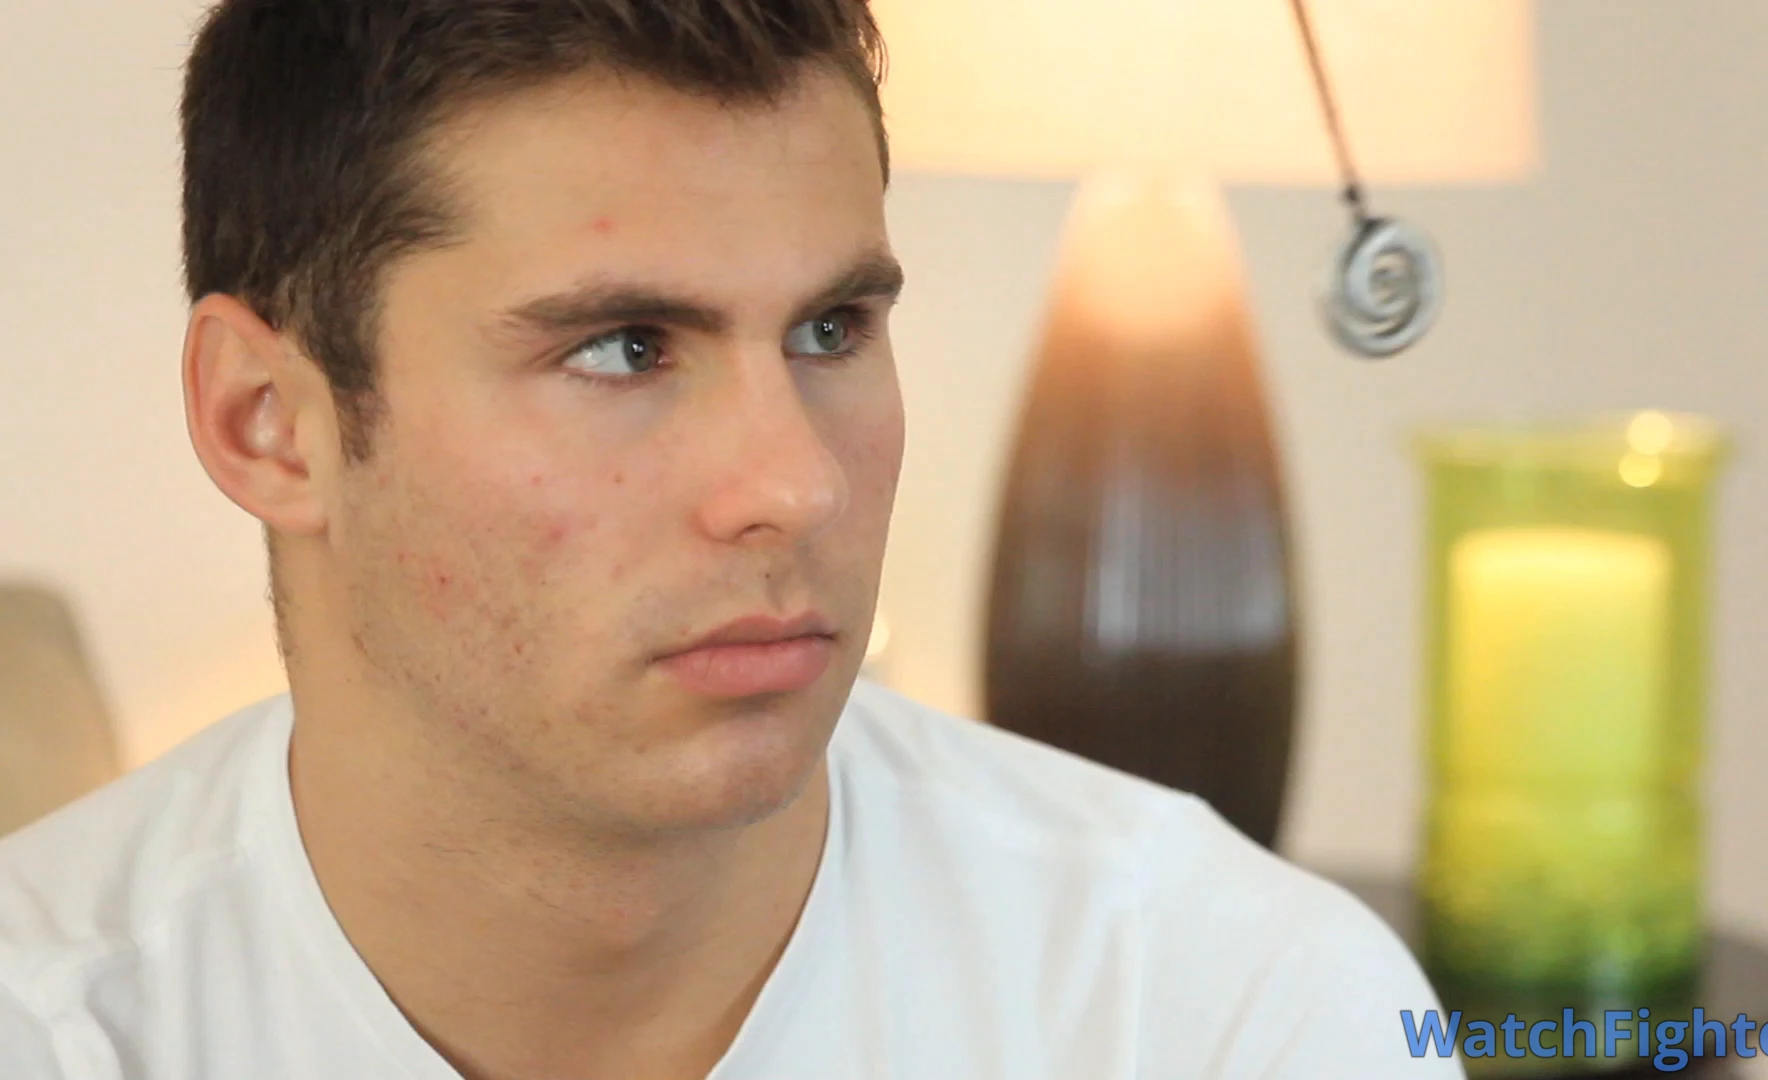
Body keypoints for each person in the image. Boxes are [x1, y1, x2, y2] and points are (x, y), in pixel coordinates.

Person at [0, 1, 1460, 1076]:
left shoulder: (1224, 1009)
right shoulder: (53, 1024)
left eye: (833, 329)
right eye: (624, 347)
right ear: (269, 423)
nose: (796, 486)